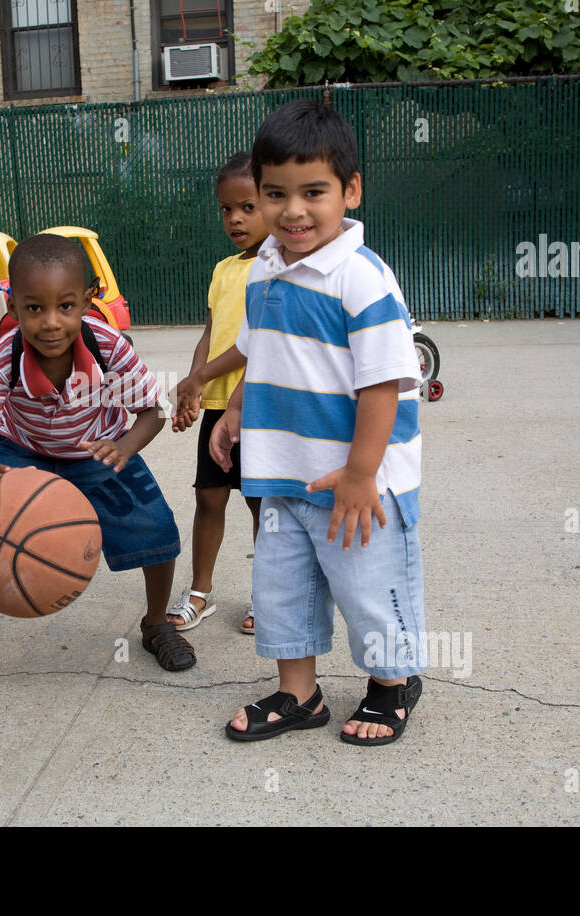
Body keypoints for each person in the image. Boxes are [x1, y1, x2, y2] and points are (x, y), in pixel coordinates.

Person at [212, 100, 428, 745]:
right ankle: (298, 694)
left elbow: (385, 382)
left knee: (368, 587)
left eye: (314, 192)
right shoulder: (267, 268)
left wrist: (363, 473)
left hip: (358, 479)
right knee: (284, 590)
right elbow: (262, 348)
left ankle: (391, 687)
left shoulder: (361, 280)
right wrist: (238, 410)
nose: (293, 211)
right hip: (283, 471)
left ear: (350, 190)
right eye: (275, 194)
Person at [0, 233, 194, 695]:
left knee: (156, 529)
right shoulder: (1, 359)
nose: (50, 323)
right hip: (20, 453)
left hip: (98, 451)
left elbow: (153, 412)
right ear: (13, 306)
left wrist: (124, 448)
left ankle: (154, 624)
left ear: (87, 301)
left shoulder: (108, 349)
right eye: (34, 308)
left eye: (65, 306)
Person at [166, 151, 266, 635]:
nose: (236, 218)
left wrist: (200, 377)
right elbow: (210, 333)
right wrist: (193, 387)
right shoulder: (224, 269)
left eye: (248, 206)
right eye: (227, 209)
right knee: (209, 498)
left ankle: (268, 596)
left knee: (261, 504)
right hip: (217, 406)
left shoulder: (278, 268)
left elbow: (258, 340)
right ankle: (200, 591)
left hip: (258, 406)